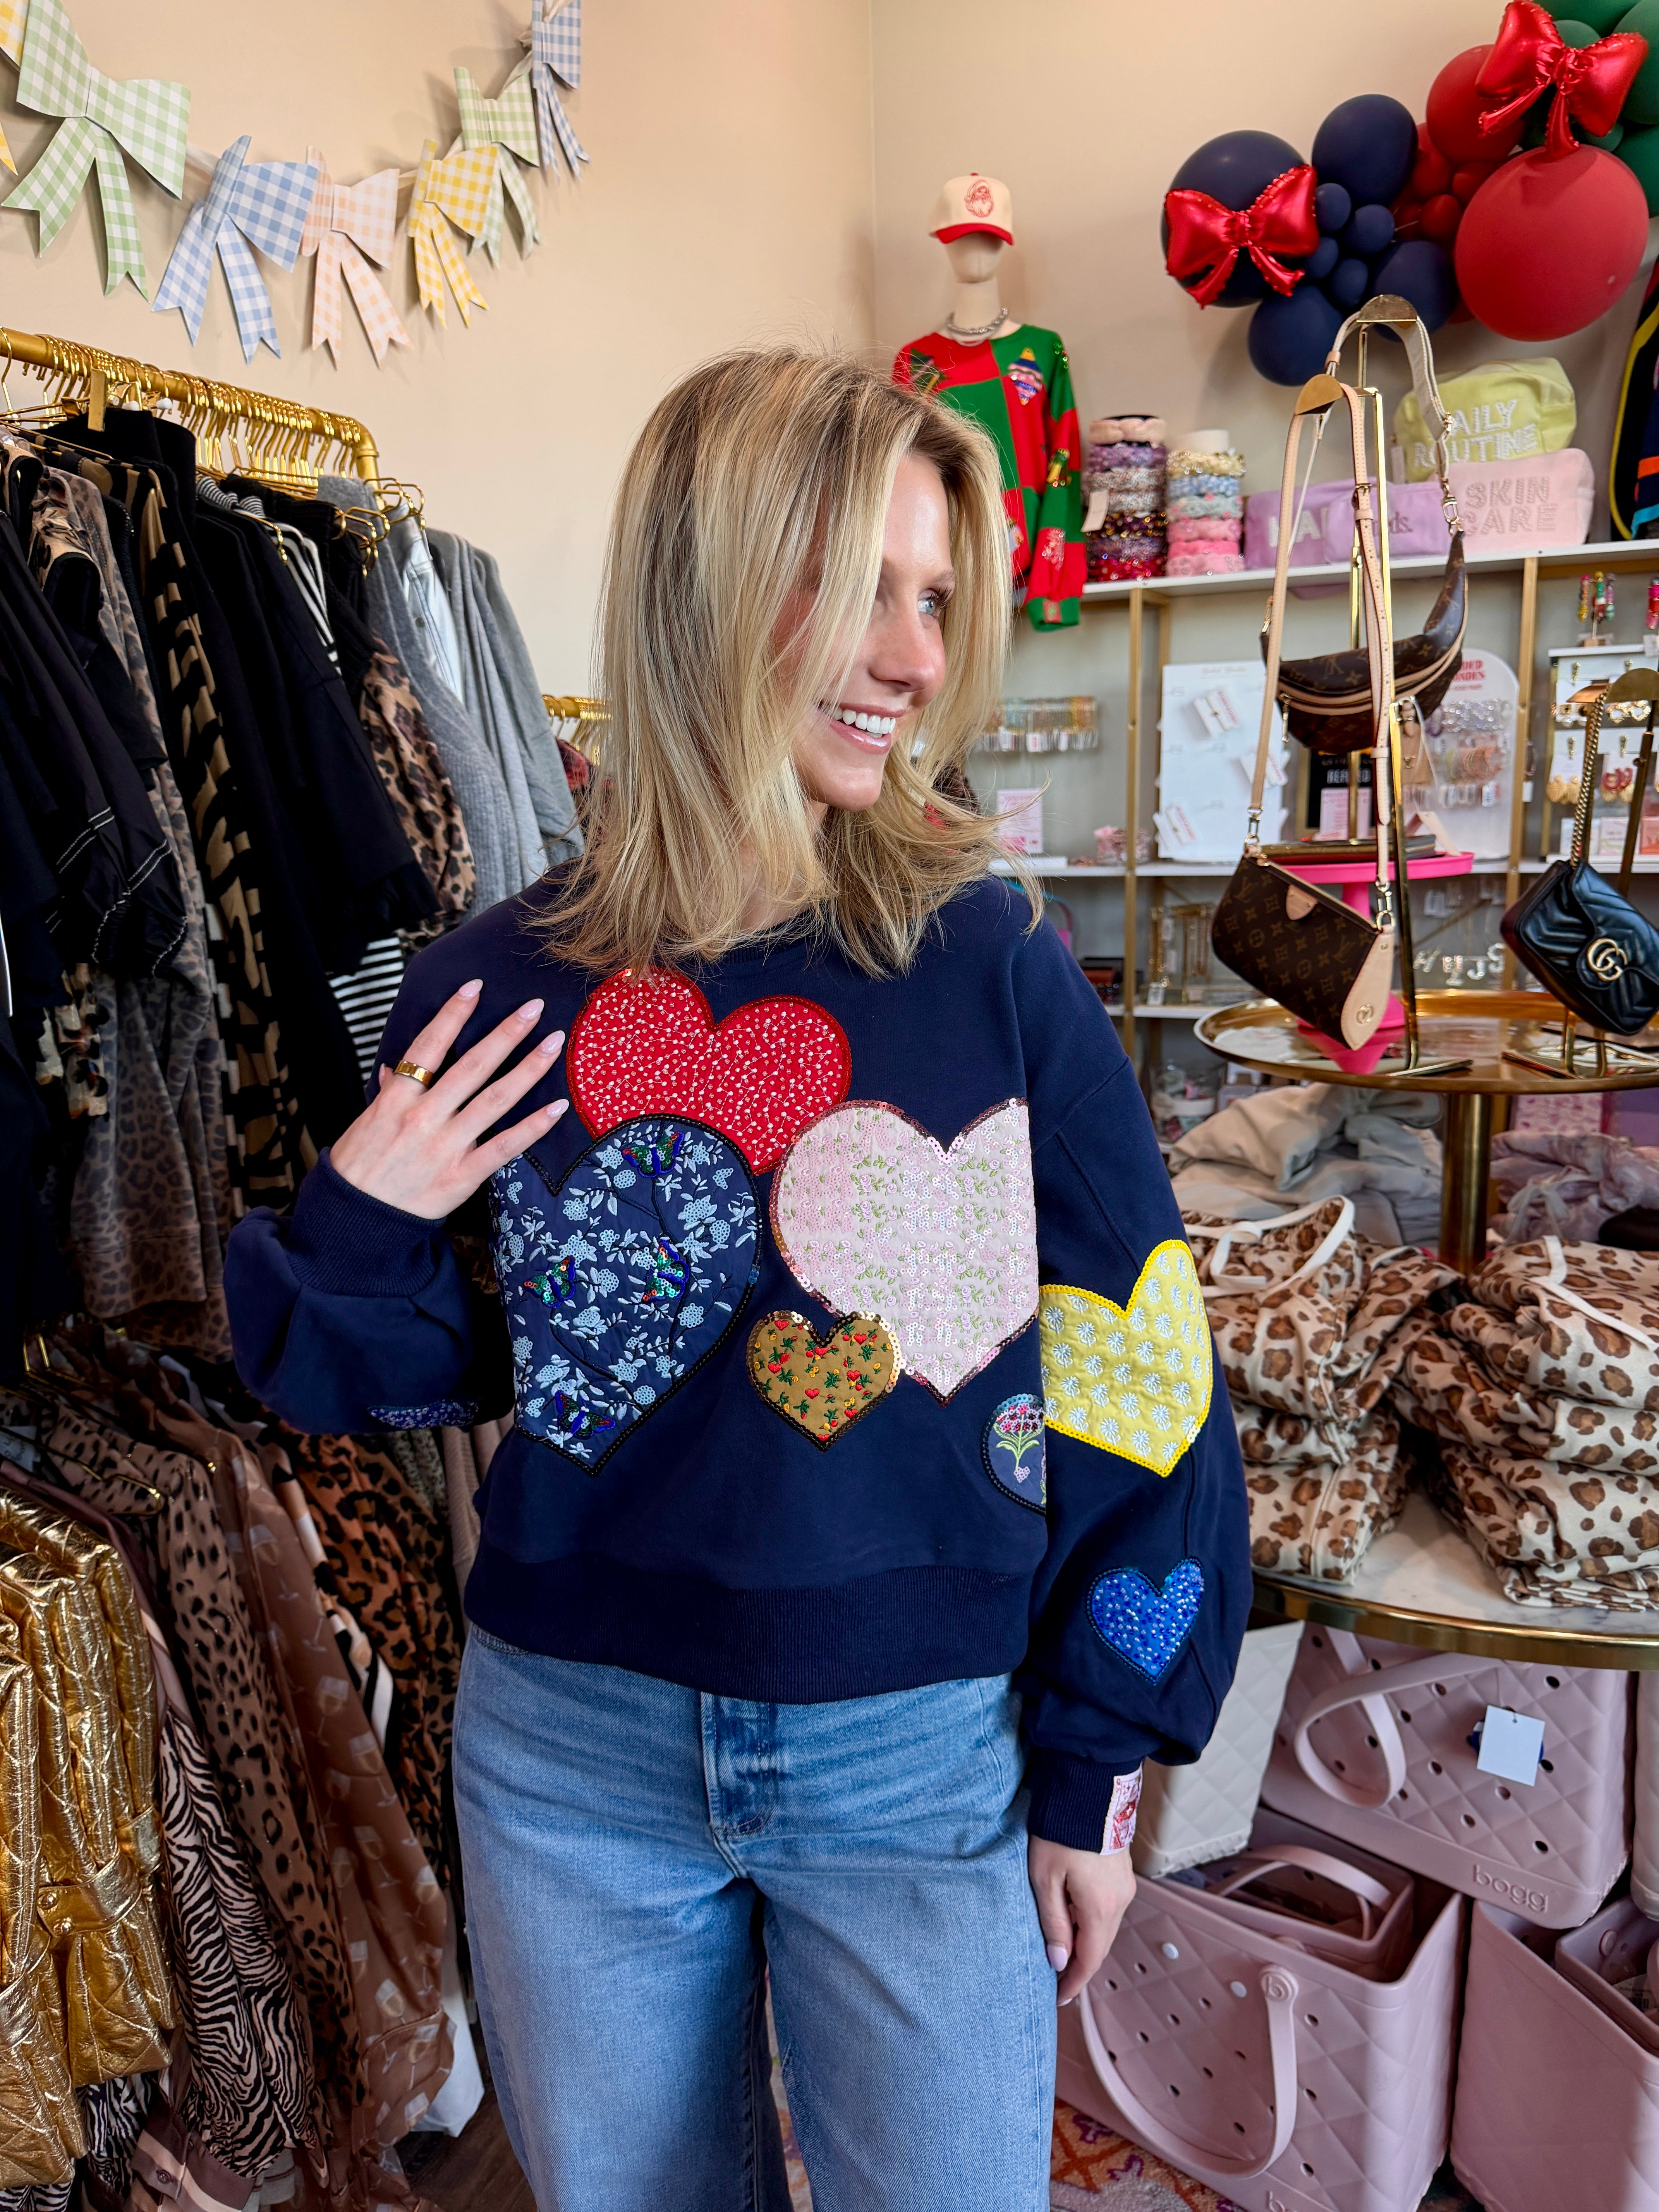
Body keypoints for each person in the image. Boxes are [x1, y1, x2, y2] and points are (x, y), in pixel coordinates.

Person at [224, 347, 1251, 2212]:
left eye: (938, 598)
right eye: (862, 583)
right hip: (569, 1763)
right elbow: (406, 1371)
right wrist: (357, 1218)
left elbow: (1138, 1363)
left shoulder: (993, 964)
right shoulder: (492, 979)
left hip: (920, 1765)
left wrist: (1099, 1764)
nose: (922, 657)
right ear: (706, 584)